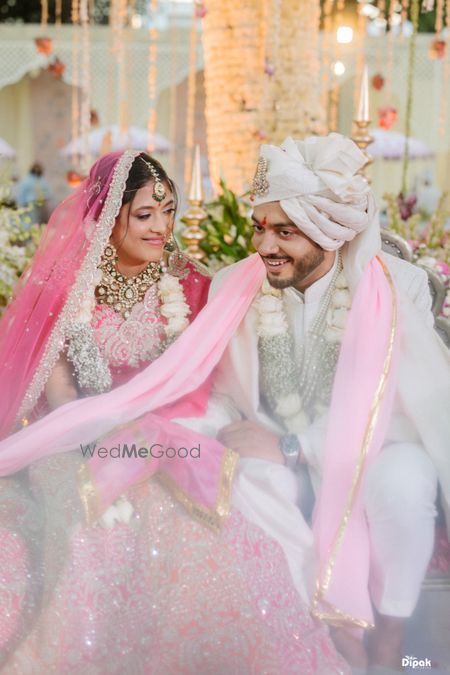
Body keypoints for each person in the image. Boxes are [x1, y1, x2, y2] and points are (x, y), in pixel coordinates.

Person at [0, 150, 347, 673]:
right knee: (88, 519)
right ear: (105, 217)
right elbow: (63, 400)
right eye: (145, 214)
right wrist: (105, 443)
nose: (162, 226)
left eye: (168, 212)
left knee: (183, 520)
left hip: (173, 436)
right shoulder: (66, 291)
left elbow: (212, 378)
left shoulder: (193, 283)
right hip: (75, 440)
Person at [182, 133, 450, 675]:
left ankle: (392, 635)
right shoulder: (234, 284)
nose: (265, 246)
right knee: (245, 480)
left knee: (401, 483)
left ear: (330, 231)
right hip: (267, 443)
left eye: (286, 231)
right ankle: (309, 636)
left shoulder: (398, 285)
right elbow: (216, 391)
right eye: (260, 227)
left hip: (381, 448)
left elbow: (407, 405)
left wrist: (295, 445)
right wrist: (195, 439)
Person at [16, 162, 51, 227]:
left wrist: (45, 197)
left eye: (38, 168)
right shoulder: (27, 180)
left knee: (38, 221)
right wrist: (20, 205)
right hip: (30, 203)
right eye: (35, 168)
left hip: (41, 204)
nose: (37, 170)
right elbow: (22, 193)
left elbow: (48, 191)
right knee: (30, 221)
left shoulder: (42, 180)